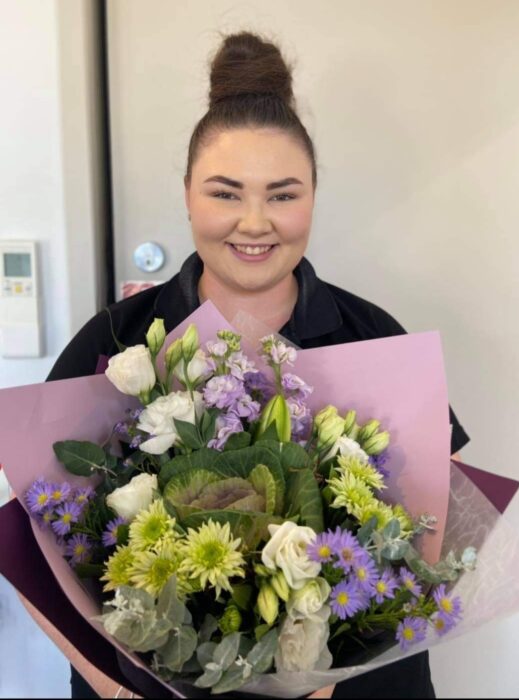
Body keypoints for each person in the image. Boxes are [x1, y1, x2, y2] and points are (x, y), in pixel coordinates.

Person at [40, 31, 469, 699]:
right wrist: (113, 687)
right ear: (187, 194)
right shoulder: (116, 344)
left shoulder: (371, 337)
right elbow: (38, 551)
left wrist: (338, 669)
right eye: (226, 192)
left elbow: (442, 532)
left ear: (314, 196)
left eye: (282, 194)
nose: (254, 222)